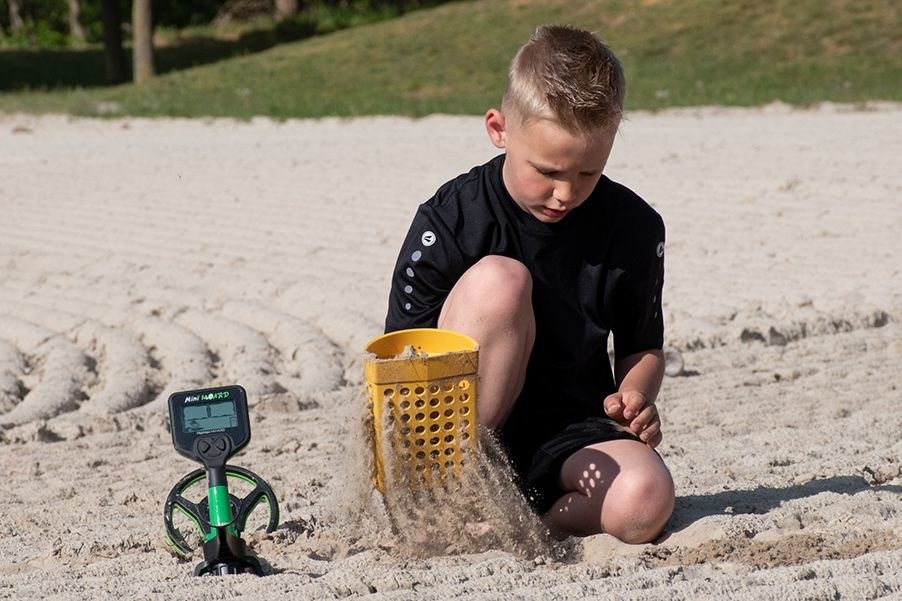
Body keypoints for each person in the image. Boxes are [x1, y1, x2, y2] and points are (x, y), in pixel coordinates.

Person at [383, 24, 674, 544]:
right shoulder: (451, 219)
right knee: (501, 280)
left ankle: (522, 527)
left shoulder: (635, 227)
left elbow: (643, 345)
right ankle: (462, 498)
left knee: (646, 499)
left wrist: (633, 397)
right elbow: (401, 365)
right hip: (451, 437)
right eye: (547, 170)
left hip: (571, 431)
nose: (565, 193)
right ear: (499, 129)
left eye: (588, 173)